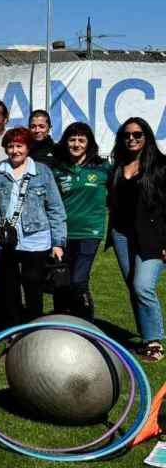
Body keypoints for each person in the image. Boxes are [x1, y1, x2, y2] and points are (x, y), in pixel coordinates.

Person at [0, 127, 67, 329]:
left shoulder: (42, 172)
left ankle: (35, 327)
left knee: (33, 284)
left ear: (28, 147)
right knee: (8, 286)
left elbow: (55, 208)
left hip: (36, 237)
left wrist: (58, 243)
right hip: (5, 237)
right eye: (10, 146)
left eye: (19, 146)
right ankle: (12, 329)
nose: (15, 151)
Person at [107, 117, 166, 362]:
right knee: (134, 287)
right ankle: (146, 338)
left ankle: (155, 343)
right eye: (127, 135)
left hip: (153, 237)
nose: (132, 138)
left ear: (146, 137)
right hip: (122, 234)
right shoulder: (118, 166)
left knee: (143, 286)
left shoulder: (162, 166)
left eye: (137, 134)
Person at [51, 122, 109, 320]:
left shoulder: (103, 168)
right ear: (66, 142)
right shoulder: (58, 169)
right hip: (62, 233)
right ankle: (60, 323)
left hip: (89, 233)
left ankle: (86, 325)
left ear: (89, 143)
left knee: (78, 281)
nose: (76, 144)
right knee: (60, 280)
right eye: (72, 139)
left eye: (81, 140)